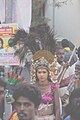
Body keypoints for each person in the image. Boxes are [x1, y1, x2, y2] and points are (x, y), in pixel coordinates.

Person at [30, 53, 61, 120]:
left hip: (49, 117)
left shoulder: (53, 87)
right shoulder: (32, 87)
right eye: (39, 72)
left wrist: (57, 118)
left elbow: (57, 107)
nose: (41, 75)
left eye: (44, 72)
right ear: (36, 73)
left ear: (48, 73)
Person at [56, 46, 74, 117]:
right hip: (57, 96)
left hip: (67, 98)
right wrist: (63, 69)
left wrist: (66, 95)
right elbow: (55, 83)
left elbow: (72, 81)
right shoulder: (53, 67)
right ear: (55, 55)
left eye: (63, 54)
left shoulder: (69, 67)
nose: (61, 56)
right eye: (59, 54)